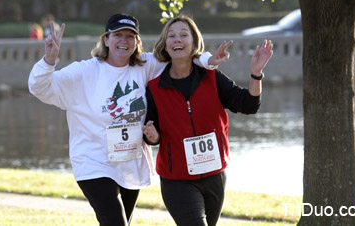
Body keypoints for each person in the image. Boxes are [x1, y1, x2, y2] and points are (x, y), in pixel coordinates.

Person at [28, 13, 229, 226]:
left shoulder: (145, 65)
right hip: (93, 161)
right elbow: (39, 87)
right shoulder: (85, 71)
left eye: (130, 36)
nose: (124, 41)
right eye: (118, 35)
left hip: (129, 162)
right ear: (106, 39)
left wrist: (208, 60)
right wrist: (49, 61)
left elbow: (181, 56)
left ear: (136, 42)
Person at [142, 14, 273, 226]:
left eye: (184, 35)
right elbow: (152, 135)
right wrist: (153, 136)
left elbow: (248, 105)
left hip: (215, 176)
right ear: (165, 45)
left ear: (194, 43)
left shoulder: (212, 78)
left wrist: (256, 74)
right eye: (172, 35)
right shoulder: (155, 88)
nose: (177, 39)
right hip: (177, 181)